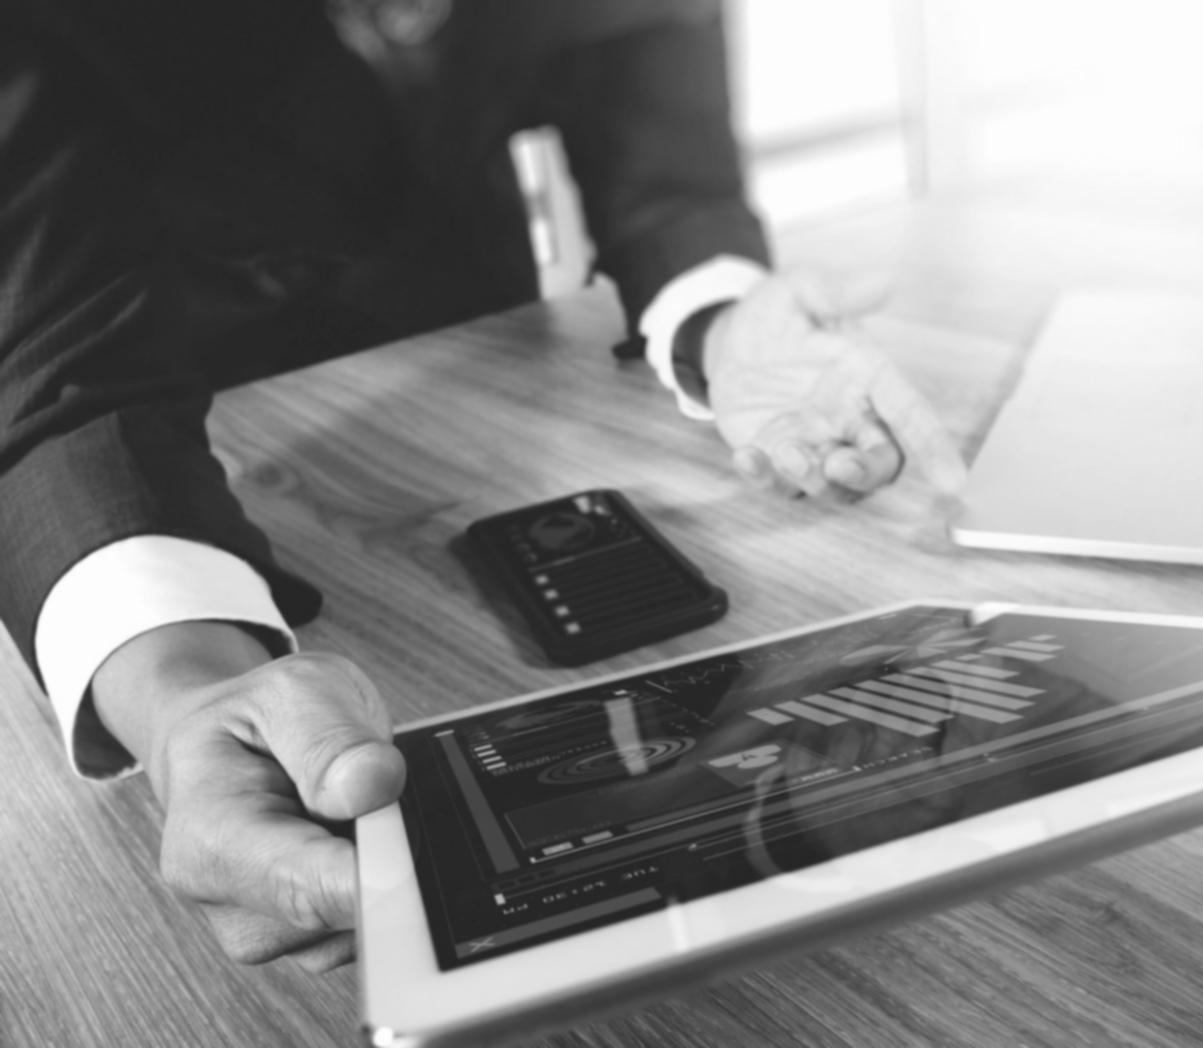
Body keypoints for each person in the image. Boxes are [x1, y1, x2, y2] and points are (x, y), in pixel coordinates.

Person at [0, 0, 965, 973]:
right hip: (196, 405)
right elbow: (47, 354)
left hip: (493, 346)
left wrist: (719, 319)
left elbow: (669, 184)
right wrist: (181, 691)